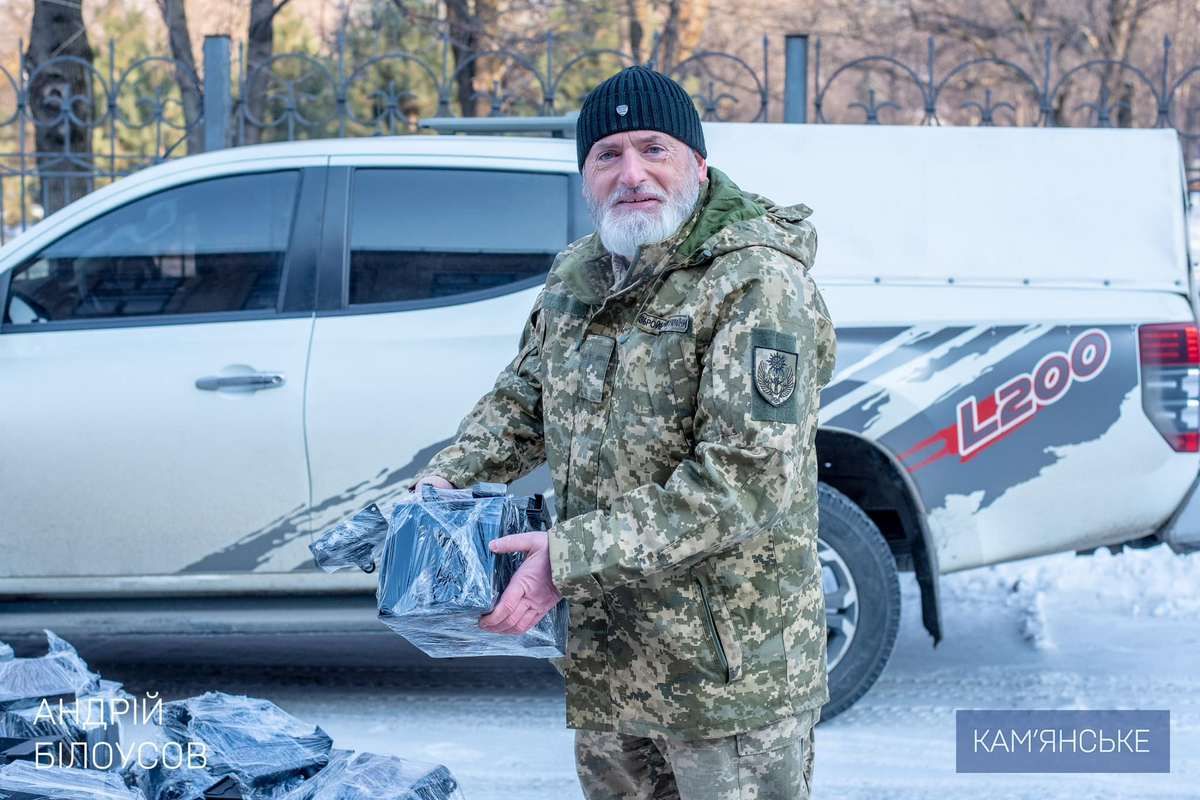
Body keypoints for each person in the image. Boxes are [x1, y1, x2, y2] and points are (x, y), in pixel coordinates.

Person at [407, 65, 837, 800]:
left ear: (698, 164)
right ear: (585, 178)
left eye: (653, 148)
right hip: (608, 663)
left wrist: (565, 558)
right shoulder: (578, 276)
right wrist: (446, 480)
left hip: (726, 677)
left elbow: (742, 481)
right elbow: (525, 398)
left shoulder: (756, 283)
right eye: (608, 154)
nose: (631, 174)